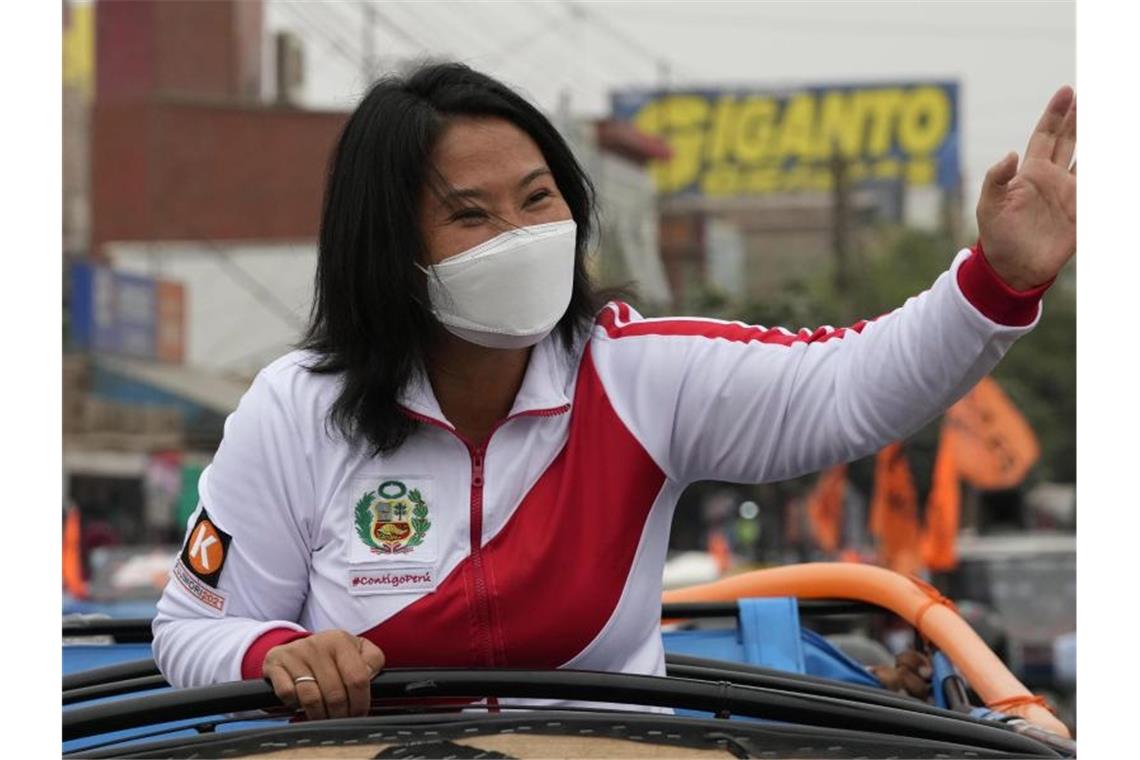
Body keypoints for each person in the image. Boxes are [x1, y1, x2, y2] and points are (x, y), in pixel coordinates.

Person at [152, 62, 1076, 721]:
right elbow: (190, 632)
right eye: (470, 214)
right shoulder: (295, 407)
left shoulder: (640, 372)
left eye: (538, 199)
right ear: (388, 250)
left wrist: (998, 282)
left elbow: (847, 385)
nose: (519, 233)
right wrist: (274, 653)